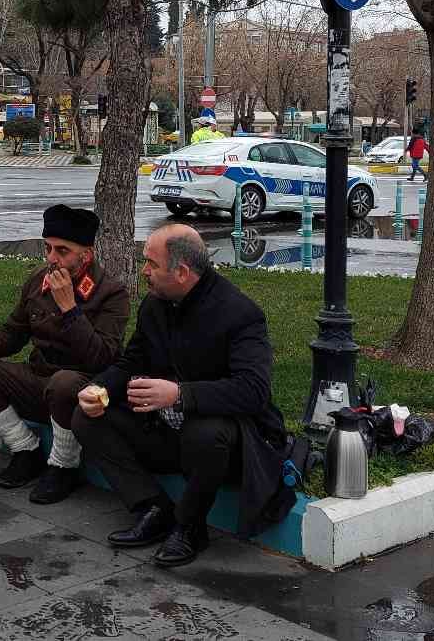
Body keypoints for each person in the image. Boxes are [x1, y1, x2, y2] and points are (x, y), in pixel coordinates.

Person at [72, 224, 288, 568]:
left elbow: (253, 391)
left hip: (221, 447)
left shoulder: (240, 314)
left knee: (206, 432)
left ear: (182, 273)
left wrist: (179, 394)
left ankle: (190, 527)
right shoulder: (155, 305)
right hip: (166, 432)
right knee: (87, 416)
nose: (144, 271)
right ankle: (152, 507)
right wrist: (99, 388)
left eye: (151, 264)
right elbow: (132, 361)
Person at [0, 204, 129, 504]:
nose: (51, 258)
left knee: (63, 383)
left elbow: (102, 358)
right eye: (47, 248)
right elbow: (13, 332)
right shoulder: (39, 279)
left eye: (62, 251)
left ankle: (64, 466)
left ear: (85, 255)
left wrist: (70, 309)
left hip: (80, 390)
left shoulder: (111, 293)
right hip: (38, 379)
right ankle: (26, 449)